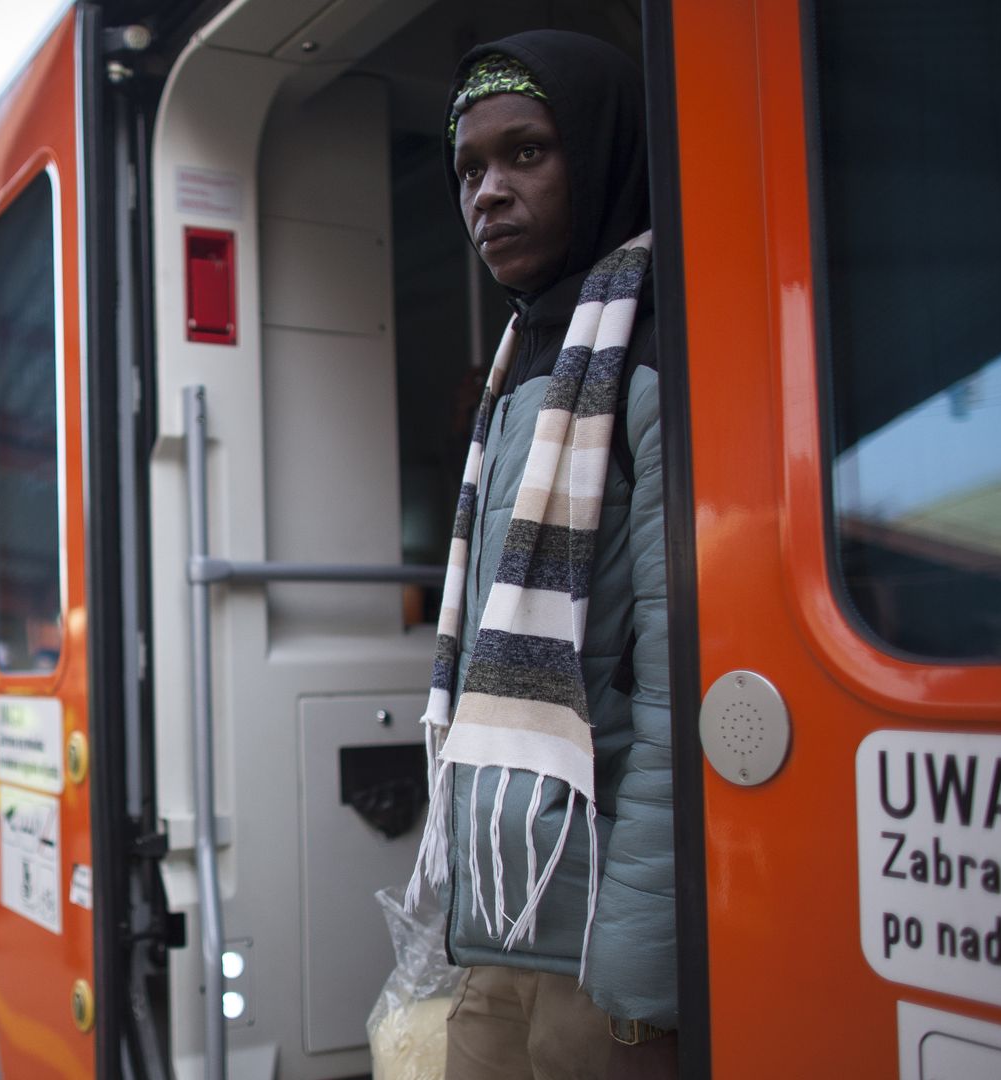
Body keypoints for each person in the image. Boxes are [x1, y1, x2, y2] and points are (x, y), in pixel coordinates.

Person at [404, 31, 675, 1080]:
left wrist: (636, 973)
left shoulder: (648, 361)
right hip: (498, 931)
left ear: (602, 155)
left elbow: (664, 688)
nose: (489, 194)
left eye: (527, 154)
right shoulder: (518, 376)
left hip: (601, 961)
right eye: (470, 169)